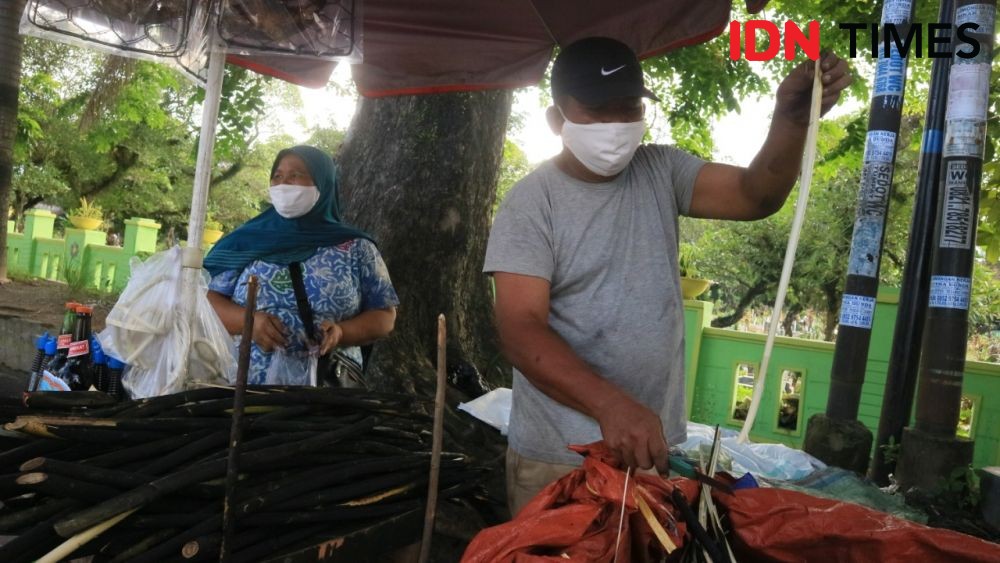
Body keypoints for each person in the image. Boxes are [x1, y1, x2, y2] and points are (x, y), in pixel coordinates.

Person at [483, 37, 851, 514]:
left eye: (629, 108)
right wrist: (610, 405)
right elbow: (518, 328)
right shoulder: (533, 202)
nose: (617, 125)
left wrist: (792, 120)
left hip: (649, 455)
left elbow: (753, 195)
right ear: (558, 121)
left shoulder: (660, 170)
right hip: (560, 461)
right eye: (599, 111)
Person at [205, 145, 398, 385]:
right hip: (246, 385)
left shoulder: (356, 247)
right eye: (277, 176)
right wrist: (250, 322)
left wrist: (342, 333)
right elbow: (209, 302)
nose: (284, 183)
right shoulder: (244, 241)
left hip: (329, 391)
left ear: (323, 182)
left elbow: (385, 316)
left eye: (295, 175)